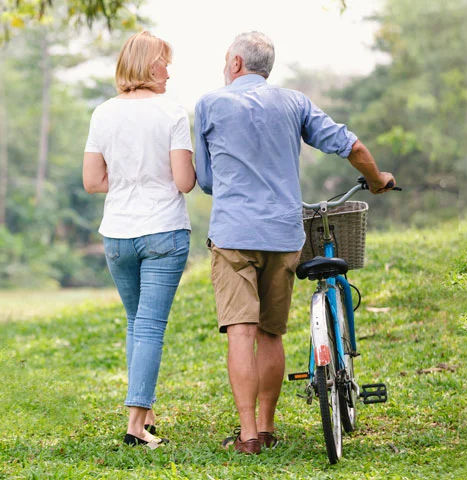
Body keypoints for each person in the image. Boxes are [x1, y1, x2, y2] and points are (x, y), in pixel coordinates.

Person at [194, 31, 396, 455]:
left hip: (233, 235)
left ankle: (248, 436)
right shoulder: (294, 103)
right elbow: (351, 145)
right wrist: (377, 181)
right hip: (283, 233)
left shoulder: (209, 105)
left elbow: (207, 181)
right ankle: (267, 427)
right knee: (271, 333)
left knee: (240, 333)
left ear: (234, 63)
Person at [83, 31, 196, 448]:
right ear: (152, 66)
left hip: (117, 235)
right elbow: (184, 182)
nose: (169, 71)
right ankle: (135, 426)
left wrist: (128, 178)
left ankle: (145, 413)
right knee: (149, 326)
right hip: (162, 230)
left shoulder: (103, 113)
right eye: (165, 62)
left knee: (136, 323)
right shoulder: (170, 112)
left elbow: (92, 181)